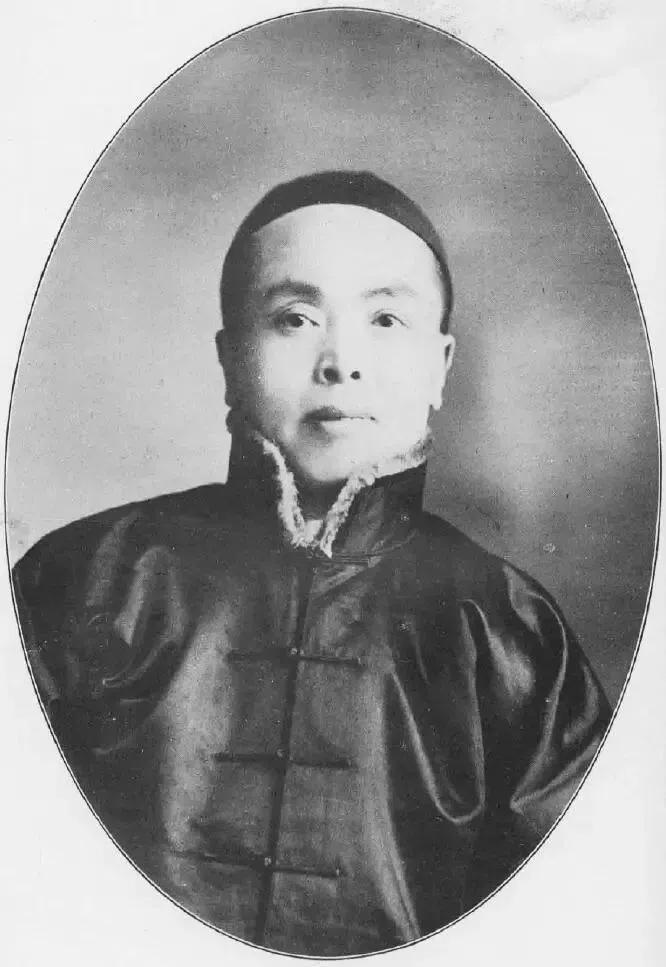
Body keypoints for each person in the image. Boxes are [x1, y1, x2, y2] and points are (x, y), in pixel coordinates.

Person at [12, 170, 610, 957]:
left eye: (386, 319)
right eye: (294, 318)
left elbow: (575, 918)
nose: (341, 362)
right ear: (230, 358)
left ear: (440, 367)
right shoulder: (87, 580)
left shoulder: (508, 630)